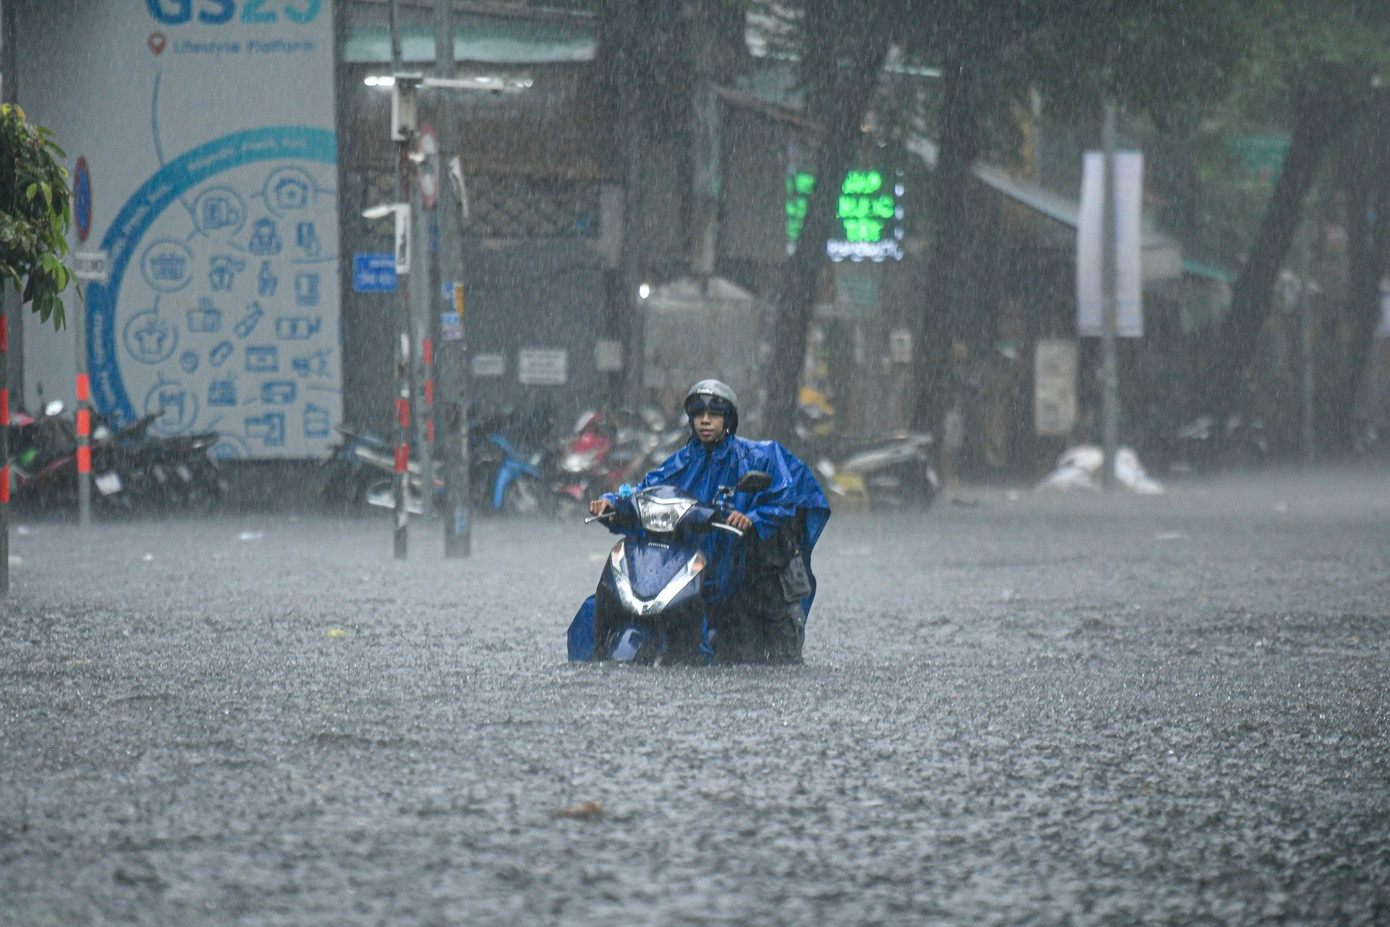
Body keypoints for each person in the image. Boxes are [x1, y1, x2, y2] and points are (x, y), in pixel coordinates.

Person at [582, 379, 830, 664]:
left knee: (752, 657)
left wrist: (752, 517)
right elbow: (646, 489)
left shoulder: (755, 458)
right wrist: (613, 502)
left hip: (746, 569)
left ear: (729, 419)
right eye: (699, 415)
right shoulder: (682, 462)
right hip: (699, 564)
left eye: (713, 415)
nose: (705, 421)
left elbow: (785, 496)